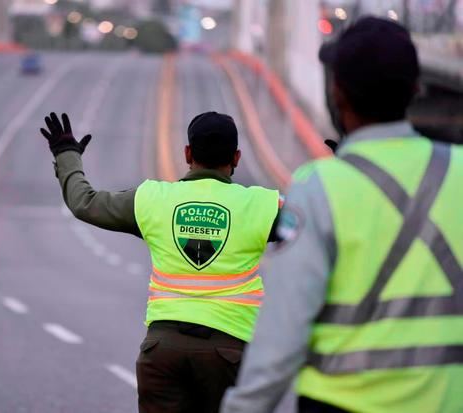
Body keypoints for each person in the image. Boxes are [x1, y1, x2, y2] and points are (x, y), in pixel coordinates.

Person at [221, 16, 463, 413]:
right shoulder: (458, 172)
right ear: (417, 88)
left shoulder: (318, 187)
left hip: (343, 402)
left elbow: (284, 328)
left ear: (338, 92)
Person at [39, 111, 281, 413]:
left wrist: (66, 156)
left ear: (188, 153)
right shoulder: (263, 205)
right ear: (237, 157)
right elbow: (328, 218)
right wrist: (355, 176)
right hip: (228, 354)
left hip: (161, 352)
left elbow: (84, 202)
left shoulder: (152, 199)